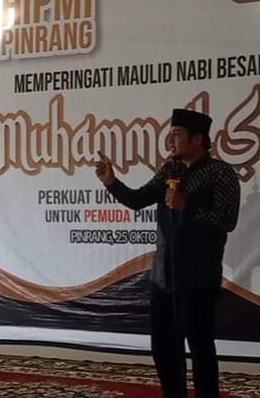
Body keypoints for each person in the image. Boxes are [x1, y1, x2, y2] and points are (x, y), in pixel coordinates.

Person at [94, 108, 240, 397]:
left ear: (197, 139)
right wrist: (111, 182)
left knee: (200, 349)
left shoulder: (220, 173)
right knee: (164, 348)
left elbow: (227, 221)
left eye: (177, 134)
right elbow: (137, 200)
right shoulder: (170, 170)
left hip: (198, 278)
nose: (170, 140)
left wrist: (188, 206)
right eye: (170, 134)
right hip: (163, 277)